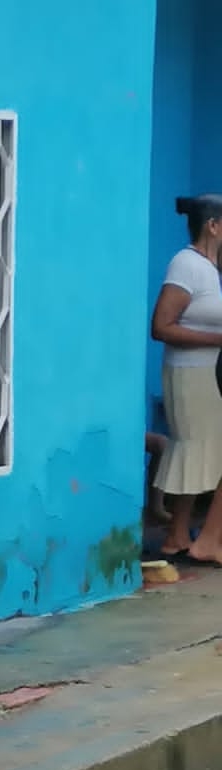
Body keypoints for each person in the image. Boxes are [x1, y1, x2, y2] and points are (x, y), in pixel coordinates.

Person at [151, 194, 222, 565]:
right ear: (212, 225)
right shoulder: (187, 264)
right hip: (188, 375)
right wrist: (218, 339)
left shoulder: (210, 268)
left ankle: (177, 535)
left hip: (206, 376)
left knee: (197, 454)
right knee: (195, 449)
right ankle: (201, 540)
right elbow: (161, 326)